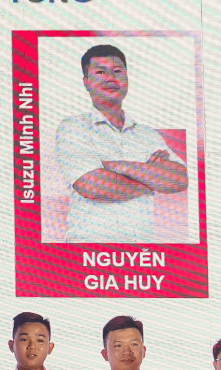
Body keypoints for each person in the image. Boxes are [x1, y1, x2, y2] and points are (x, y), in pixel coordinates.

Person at [55, 43, 187, 244]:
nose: (110, 78)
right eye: (100, 72)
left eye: (117, 71)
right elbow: (92, 186)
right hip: (88, 249)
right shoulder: (74, 127)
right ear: (86, 82)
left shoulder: (147, 134)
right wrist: (151, 180)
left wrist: (118, 166)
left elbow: (180, 179)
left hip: (141, 251)